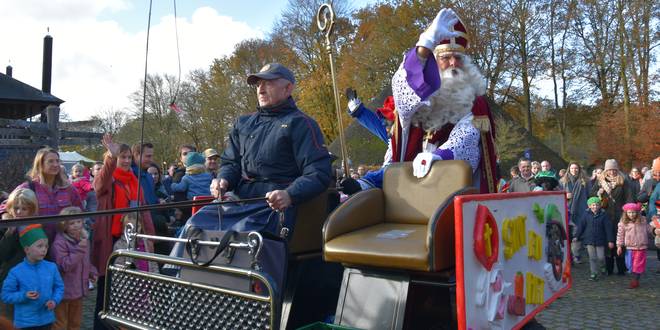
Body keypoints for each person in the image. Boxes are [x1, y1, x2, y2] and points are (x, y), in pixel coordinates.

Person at [181, 62, 331, 242]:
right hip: (239, 203)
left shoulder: (301, 124)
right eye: (258, 84)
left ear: (288, 88)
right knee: (193, 226)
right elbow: (231, 163)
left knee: (239, 236)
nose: (260, 89)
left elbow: (318, 173)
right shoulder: (242, 123)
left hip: (273, 208)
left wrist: (290, 194)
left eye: (268, 83)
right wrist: (223, 180)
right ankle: (173, 269)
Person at [354, 9, 499, 193]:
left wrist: (440, 155)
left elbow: (468, 136)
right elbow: (402, 90)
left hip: (449, 179)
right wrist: (425, 44)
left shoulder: (475, 101)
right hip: (408, 181)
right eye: (446, 57)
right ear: (435, 61)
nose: (453, 63)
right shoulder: (421, 94)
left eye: (458, 58)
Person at [93, 134, 156, 329]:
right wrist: (110, 158)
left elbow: (144, 211)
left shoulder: (134, 181)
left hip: (134, 240)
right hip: (112, 240)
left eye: (129, 157)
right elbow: (98, 185)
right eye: (123, 157)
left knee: (132, 287)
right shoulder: (108, 180)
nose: (127, 161)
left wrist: (150, 237)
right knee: (107, 287)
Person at [0, 147, 82, 242]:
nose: (55, 164)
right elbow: (5, 207)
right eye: (50, 161)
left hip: (64, 244)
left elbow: (80, 212)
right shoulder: (28, 188)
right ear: (40, 165)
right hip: (37, 246)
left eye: (57, 161)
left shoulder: (68, 189)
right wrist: (7, 218)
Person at [1, 224, 64, 329]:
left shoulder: (51, 267)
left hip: (47, 320)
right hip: (25, 323)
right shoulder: (16, 271)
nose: (44, 250)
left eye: (46, 246)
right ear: (27, 249)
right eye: (39, 246)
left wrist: (54, 300)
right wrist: (24, 296)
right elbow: (6, 295)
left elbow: (59, 287)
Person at [51, 206, 97, 330]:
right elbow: (65, 265)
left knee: (75, 323)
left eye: (79, 221)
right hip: (64, 292)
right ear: (64, 225)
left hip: (78, 290)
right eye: (72, 223)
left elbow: (85, 261)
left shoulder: (83, 239)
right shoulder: (59, 243)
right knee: (60, 323)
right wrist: (80, 249)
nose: (76, 225)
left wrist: (91, 271)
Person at [0, 188, 39, 320]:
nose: (19, 212)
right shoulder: (5, 226)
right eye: (16, 208)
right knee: (8, 318)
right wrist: (10, 233)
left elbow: (44, 254)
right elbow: (2, 254)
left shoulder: (36, 226)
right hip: (10, 280)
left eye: (24, 208)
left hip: (31, 281)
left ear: (32, 209)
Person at [590, 159, 633, 275]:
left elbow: (629, 197)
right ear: (606, 170)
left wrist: (628, 213)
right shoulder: (600, 181)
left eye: (614, 169)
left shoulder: (623, 180)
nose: (612, 172)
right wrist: (598, 193)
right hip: (605, 216)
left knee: (620, 241)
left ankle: (621, 267)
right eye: (609, 169)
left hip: (620, 214)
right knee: (607, 241)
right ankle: (608, 268)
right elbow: (591, 196)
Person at [616, 203, 655, 288]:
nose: (631, 214)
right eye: (629, 212)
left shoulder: (642, 220)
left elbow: (649, 228)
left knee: (637, 265)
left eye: (633, 212)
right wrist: (619, 246)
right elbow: (620, 235)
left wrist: (654, 231)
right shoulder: (623, 222)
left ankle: (635, 281)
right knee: (629, 265)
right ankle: (634, 278)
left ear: (637, 212)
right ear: (626, 213)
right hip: (630, 247)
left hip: (641, 247)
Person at [575, 197, 615, 281]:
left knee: (601, 257)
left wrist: (610, 240)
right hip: (589, 240)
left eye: (597, 205)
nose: (595, 207)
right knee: (592, 258)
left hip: (600, 240)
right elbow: (581, 226)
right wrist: (576, 236)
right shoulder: (586, 215)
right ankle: (594, 273)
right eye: (593, 205)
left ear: (600, 206)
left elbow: (608, 228)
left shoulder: (604, 215)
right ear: (589, 206)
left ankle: (603, 266)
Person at [560, 162, 589, 264]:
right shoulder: (563, 182)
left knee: (578, 233)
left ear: (579, 169)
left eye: (576, 168)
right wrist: (564, 195)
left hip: (581, 210)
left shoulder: (585, 181)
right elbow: (558, 195)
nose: (574, 170)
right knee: (568, 234)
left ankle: (576, 255)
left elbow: (589, 195)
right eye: (572, 168)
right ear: (569, 169)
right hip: (567, 210)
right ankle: (569, 256)